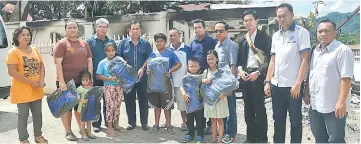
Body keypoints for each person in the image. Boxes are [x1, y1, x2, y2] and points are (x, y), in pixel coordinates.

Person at [264, 3, 310, 143]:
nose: (282, 18)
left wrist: (298, 83)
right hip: (276, 85)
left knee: (295, 122)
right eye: (279, 16)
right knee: (278, 120)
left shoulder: (301, 33)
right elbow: (272, 61)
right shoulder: (276, 36)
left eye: (284, 15)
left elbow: (305, 60)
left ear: (292, 15)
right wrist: (267, 81)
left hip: (293, 87)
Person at [305, 19, 354, 143]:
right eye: (320, 31)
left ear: (335, 33)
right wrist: (306, 93)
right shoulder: (315, 51)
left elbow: (346, 78)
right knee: (319, 138)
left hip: (333, 106)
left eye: (327, 31)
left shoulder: (342, 50)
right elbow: (311, 74)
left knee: (335, 140)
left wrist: (341, 102)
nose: (323, 34)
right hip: (315, 104)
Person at [6, 26, 48, 144]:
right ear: (17, 37)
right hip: (21, 91)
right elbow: (12, 71)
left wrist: (42, 79)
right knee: (23, 116)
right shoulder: (13, 52)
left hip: (36, 90)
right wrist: (30, 82)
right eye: (23, 34)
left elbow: (41, 66)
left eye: (28, 34)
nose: (26, 37)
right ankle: (24, 139)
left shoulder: (34, 50)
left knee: (37, 115)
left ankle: (38, 136)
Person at [53, 20, 93, 141]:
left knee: (81, 107)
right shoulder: (61, 44)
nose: (72, 29)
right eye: (69, 27)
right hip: (66, 83)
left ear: (77, 29)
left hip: (82, 82)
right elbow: (58, 64)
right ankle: (68, 131)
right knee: (67, 108)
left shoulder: (84, 43)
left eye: (74, 27)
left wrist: (89, 79)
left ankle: (82, 130)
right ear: (66, 30)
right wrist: (61, 82)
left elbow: (89, 60)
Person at [237, 10, 271, 143]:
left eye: (250, 20)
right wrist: (240, 71)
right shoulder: (243, 39)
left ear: (256, 21)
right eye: (245, 20)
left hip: (259, 76)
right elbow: (239, 60)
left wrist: (258, 72)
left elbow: (269, 60)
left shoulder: (265, 37)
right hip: (246, 77)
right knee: (248, 109)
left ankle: (262, 138)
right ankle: (250, 138)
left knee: (260, 109)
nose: (247, 23)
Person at [117, 21, 153, 131]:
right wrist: (125, 65)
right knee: (129, 100)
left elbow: (149, 57)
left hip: (142, 78)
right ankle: (131, 123)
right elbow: (118, 57)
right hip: (128, 78)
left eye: (137, 29)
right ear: (129, 30)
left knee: (143, 100)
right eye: (133, 29)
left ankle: (144, 123)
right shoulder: (123, 43)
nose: (135, 31)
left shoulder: (146, 44)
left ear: (140, 31)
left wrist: (143, 68)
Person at [147, 33, 182, 134]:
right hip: (154, 84)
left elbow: (179, 64)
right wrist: (148, 71)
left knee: (167, 106)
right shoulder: (153, 54)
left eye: (161, 41)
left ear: (165, 43)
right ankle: (156, 125)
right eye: (157, 41)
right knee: (156, 106)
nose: (159, 43)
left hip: (166, 84)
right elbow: (149, 65)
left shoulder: (170, 53)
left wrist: (170, 71)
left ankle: (169, 125)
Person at [87, 18, 116, 132]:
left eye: (105, 27)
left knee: (108, 101)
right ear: (96, 27)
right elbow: (87, 59)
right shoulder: (90, 42)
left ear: (107, 28)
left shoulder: (111, 41)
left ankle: (108, 121)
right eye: (100, 26)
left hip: (109, 77)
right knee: (95, 101)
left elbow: (114, 59)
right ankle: (96, 124)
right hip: (96, 76)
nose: (103, 29)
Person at [190, 19, 217, 135]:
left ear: (204, 28)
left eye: (199, 27)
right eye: (195, 27)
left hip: (209, 74)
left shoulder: (212, 41)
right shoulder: (193, 43)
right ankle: (201, 123)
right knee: (199, 99)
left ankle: (211, 125)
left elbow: (216, 57)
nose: (197, 29)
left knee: (209, 99)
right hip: (197, 75)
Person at [213, 21, 239, 143]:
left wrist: (230, 86)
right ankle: (223, 131)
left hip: (228, 83)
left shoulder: (232, 45)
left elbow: (233, 66)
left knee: (230, 108)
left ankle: (231, 134)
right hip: (218, 83)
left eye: (221, 31)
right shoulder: (217, 45)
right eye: (216, 31)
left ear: (227, 31)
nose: (218, 33)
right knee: (222, 107)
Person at [96, 43, 124, 137]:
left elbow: (124, 72)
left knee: (117, 106)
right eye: (108, 51)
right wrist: (109, 79)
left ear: (115, 51)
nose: (111, 53)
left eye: (112, 50)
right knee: (110, 107)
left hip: (119, 86)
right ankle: (110, 128)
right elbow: (98, 75)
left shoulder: (119, 61)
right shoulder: (102, 63)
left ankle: (116, 125)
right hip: (109, 87)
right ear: (105, 52)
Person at [202, 50, 230, 143]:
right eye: (208, 59)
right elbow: (201, 82)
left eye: (212, 59)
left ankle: (219, 140)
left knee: (220, 120)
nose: (210, 61)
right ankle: (213, 139)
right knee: (213, 119)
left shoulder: (221, 71)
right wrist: (204, 81)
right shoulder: (206, 71)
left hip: (220, 99)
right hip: (210, 99)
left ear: (217, 59)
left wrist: (223, 92)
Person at [168, 28, 192, 131]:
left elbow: (191, 63)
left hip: (184, 81)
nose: (173, 37)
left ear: (180, 36)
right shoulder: (168, 50)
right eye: (171, 36)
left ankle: (187, 121)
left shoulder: (187, 48)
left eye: (175, 35)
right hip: (171, 81)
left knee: (186, 102)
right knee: (178, 102)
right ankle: (182, 120)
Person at [181, 57, 205, 143]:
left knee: (200, 120)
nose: (193, 68)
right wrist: (184, 94)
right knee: (189, 120)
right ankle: (190, 134)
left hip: (199, 103)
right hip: (189, 103)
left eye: (195, 66)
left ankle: (200, 135)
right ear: (188, 67)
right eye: (191, 66)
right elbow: (181, 87)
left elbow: (204, 88)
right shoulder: (185, 77)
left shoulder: (201, 77)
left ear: (199, 67)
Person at [75, 71, 97, 141]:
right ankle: (83, 134)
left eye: (86, 80)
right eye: (83, 80)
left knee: (89, 121)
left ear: (90, 80)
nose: (85, 82)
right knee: (82, 121)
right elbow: (76, 97)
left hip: (89, 108)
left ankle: (89, 133)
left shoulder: (91, 88)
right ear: (81, 80)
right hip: (82, 108)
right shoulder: (80, 88)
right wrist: (82, 100)